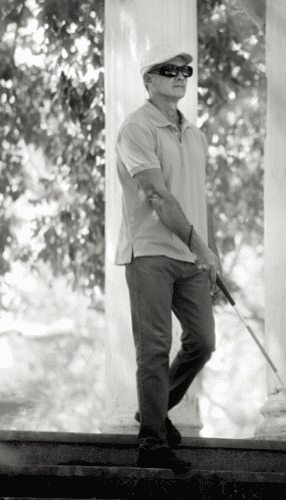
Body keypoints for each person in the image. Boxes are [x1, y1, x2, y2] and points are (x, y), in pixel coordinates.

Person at [114, 44, 220, 471]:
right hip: (150, 252)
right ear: (149, 80)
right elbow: (156, 194)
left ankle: (154, 409)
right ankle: (153, 443)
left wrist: (209, 251)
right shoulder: (136, 128)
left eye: (185, 71)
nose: (179, 76)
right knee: (155, 347)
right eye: (168, 70)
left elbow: (198, 197)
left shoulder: (194, 133)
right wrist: (199, 244)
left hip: (190, 255)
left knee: (203, 341)